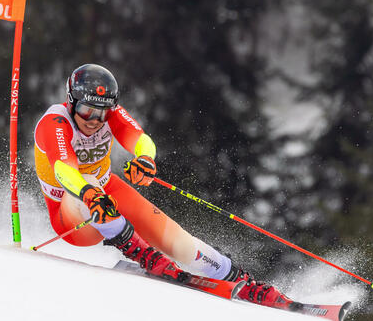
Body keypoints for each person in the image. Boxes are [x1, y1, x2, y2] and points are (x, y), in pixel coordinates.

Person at [33, 64, 291, 307]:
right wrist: (90, 194)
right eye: (87, 111)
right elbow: (63, 170)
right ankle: (144, 255)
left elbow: (141, 139)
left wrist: (144, 159)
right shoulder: (54, 123)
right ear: (72, 102)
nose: (94, 119)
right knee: (89, 184)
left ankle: (239, 279)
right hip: (72, 216)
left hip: (105, 192)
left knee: (178, 240)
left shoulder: (110, 115)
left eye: (102, 113)